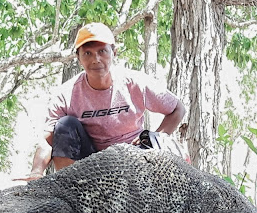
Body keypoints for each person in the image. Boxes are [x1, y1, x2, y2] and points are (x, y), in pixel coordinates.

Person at [17, 22, 185, 181]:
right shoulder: (66, 94)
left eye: (102, 51)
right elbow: (48, 140)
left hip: (134, 154)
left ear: (114, 52)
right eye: (87, 53)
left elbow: (178, 109)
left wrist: (155, 137)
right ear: (78, 57)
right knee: (64, 124)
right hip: (90, 158)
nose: (95, 59)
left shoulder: (136, 82)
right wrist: (37, 171)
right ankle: (68, 186)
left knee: (174, 153)